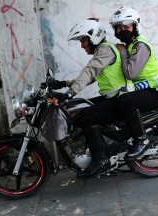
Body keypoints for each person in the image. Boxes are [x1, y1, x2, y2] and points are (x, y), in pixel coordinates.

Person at [57, 18, 134, 178]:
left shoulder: (105, 50)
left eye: (84, 40)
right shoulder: (104, 51)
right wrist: (62, 83)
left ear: (94, 36)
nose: (82, 45)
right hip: (113, 97)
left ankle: (100, 160)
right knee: (80, 108)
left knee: (88, 116)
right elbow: (89, 77)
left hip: (122, 98)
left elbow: (90, 71)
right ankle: (93, 150)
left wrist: (70, 93)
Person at [109, 7, 158, 160]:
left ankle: (141, 140)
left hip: (155, 92)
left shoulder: (140, 45)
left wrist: (122, 53)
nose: (122, 30)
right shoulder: (131, 45)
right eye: (119, 27)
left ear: (135, 27)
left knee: (125, 100)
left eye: (126, 27)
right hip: (145, 90)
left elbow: (131, 73)